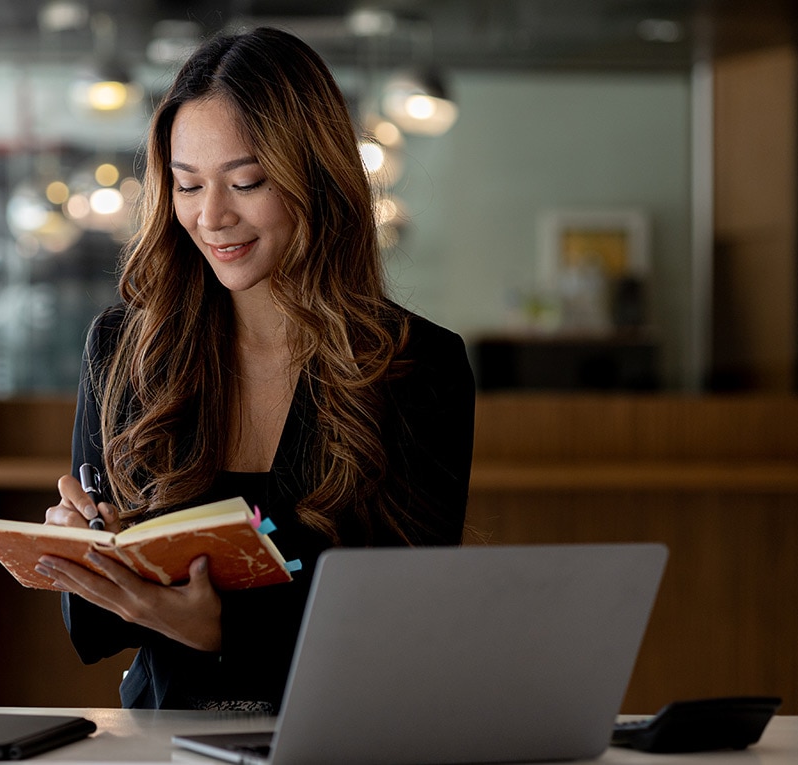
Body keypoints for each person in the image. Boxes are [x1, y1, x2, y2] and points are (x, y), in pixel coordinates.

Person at [36, 26, 475, 711]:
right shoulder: (124, 349)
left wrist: (217, 628)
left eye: (247, 182)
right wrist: (84, 553)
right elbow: (89, 631)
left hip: (345, 742)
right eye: (187, 185)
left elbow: (406, 621)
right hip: (165, 742)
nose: (212, 216)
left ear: (318, 178)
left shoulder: (417, 365)